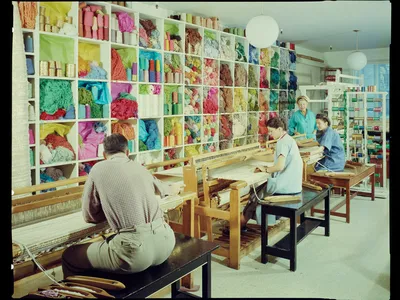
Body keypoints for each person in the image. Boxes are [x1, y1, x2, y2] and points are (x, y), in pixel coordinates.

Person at [62, 133, 177, 278]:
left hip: (135, 253)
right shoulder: (139, 167)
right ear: (127, 152)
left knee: (69, 255)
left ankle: (88, 292)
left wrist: (111, 211)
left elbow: (89, 215)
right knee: (110, 242)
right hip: (165, 242)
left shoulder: (97, 169)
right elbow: (163, 189)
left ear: (104, 155)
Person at [225, 117, 303, 233]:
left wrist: (265, 169)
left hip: (286, 187)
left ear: (280, 129)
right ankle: (242, 223)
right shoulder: (287, 139)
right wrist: (253, 156)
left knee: (254, 197)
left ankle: (238, 226)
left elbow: (280, 166)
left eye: (271, 131)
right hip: (293, 184)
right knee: (257, 191)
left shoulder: (283, 142)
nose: (270, 134)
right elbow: (273, 157)